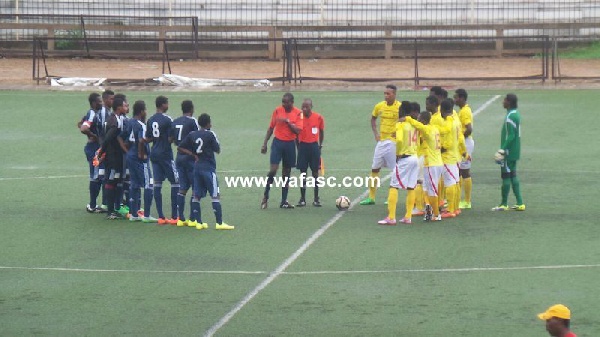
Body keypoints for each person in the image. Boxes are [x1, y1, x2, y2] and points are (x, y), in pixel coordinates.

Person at [178, 113, 234, 230]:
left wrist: (193, 154)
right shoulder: (210, 134)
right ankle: (219, 223)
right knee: (215, 195)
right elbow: (217, 149)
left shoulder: (192, 134)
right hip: (208, 168)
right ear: (208, 123)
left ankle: (199, 223)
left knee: (196, 195)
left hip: (197, 168)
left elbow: (180, 147)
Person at [360, 84, 401, 205]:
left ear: (394, 94)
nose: (386, 96)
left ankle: (391, 198)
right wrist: (375, 133)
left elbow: (405, 120)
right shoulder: (379, 106)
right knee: (374, 168)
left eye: (388, 94)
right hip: (381, 142)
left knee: (395, 170)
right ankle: (371, 197)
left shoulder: (399, 107)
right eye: (385, 93)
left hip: (393, 143)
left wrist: (398, 133)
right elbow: (373, 119)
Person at [260, 92, 303, 209]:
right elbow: (271, 128)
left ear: (292, 102)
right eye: (283, 101)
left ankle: (284, 201)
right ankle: (265, 196)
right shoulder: (277, 111)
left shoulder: (298, 113)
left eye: (286, 102)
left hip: (290, 144)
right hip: (278, 143)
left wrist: (288, 122)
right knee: (273, 170)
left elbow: (298, 131)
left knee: (286, 173)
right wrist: (264, 144)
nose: (284, 104)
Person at [378, 102, 419, 225]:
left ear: (402, 110)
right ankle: (408, 216)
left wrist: (398, 153)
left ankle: (391, 217)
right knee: (411, 187)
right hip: (415, 157)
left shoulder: (401, 124)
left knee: (393, 186)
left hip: (405, 158)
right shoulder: (414, 124)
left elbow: (400, 139)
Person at [401, 110, 444, 222]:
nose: (418, 120)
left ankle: (436, 214)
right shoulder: (434, 128)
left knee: (432, 190)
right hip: (437, 162)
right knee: (427, 188)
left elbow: (418, 125)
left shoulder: (428, 129)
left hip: (431, 164)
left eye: (420, 119)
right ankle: (429, 208)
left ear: (423, 120)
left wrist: (408, 118)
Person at [120, 100, 157, 223]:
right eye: (145, 109)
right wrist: (142, 154)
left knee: (134, 184)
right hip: (139, 159)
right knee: (149, 184)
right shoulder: (141, 125)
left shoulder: (129, 122)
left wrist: (126, 150)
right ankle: (146, 215)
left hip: (130, 156)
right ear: (141, 111)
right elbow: (141, 140)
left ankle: (133, 214)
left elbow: (120, 137)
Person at [145, 95, 179, 224]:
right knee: (175, 182)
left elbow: (148, 138)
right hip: (165, 154)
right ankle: (174, 216)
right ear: (163, 105)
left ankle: (161, 216)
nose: (168, 105)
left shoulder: (151, 119)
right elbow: (172, 137)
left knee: (157, 184)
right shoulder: (167, 119)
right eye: (167, 103)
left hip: (154, 154)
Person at [96, 95, 129, 220]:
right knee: (111, 182)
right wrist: (101, 152)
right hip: (113, 157)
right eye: (125, 105)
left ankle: (114, 208)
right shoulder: (114, 121)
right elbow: (108, 138)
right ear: (119, 107)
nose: (126, 108)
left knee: (115, 181)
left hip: (116, 156)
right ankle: (110, 211)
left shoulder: (114, 118)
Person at [492, 93, 525, 211]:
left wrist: (502, 150)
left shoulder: (510, 116)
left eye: (504, 100)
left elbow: (511, 135)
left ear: (509, 102)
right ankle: (520, 203)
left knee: (505, 176)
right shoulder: (515, 114)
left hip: (508, 152)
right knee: (513, 175)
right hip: (515, 151)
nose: (503, 102)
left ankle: (503, 204)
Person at [170, 100, 199, 227]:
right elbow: (198, 137)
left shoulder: (175, 121)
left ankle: (180, 217)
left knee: (182, 188)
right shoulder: (193, 121)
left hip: (179, 157)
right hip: (190, 157)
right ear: (191, 109)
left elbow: (170, 139)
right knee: (195, 187)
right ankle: (192, 218)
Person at [296, 98, 324, 207]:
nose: (304, 109)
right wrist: (298, 146)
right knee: (303, 174)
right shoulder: (299, 117)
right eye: (303, 107)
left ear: (311, 107)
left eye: (306, 107)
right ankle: (302, 199)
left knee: (315, 173)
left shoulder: (318, 117)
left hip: (313, 147)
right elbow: (295, 133)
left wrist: (320, 145)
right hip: (303, 146)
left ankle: (316, 199)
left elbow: (321, 131)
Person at [79, 92, 104, 213]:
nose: (101, 103)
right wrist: (93, 135)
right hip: (93, 150)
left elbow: (80, 124)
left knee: (100, 176)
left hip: (97, 149)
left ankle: (98, 204)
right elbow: (84, 128)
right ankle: (92, 205)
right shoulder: (92, 113)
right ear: (94, 103)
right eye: (100, 101)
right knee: (95, 177)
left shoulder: (96, 113)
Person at [454, 89, 474, 209]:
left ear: (461, 98)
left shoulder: (465, 111)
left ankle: (467, 201)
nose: (455, 99)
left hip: (466, 143)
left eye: (456, 97)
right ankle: (460, 199)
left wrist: (460, 139)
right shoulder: (462, 110)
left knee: (464, 172)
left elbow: (469, 129)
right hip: (464, 142)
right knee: (460, 171)